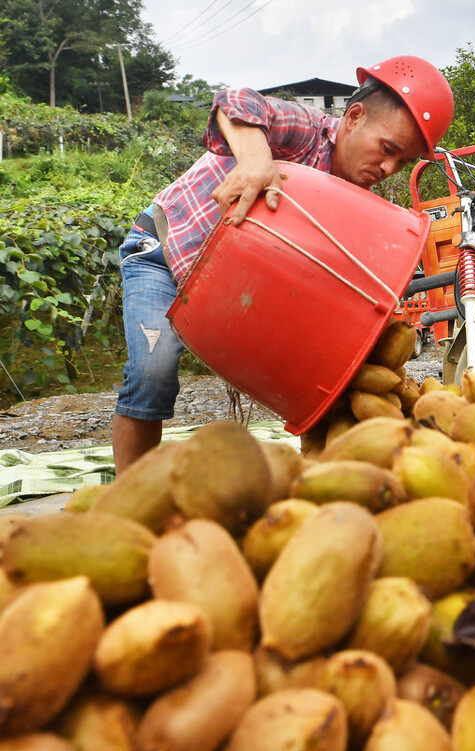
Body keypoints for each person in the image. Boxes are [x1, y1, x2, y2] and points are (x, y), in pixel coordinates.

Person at [112, 55, 454, 474]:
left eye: (402, 162)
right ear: (355, 117)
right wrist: (257, 158)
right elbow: (235, 101)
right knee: (154, 369)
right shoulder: (310, 134)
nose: (388, 169)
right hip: (162, 252)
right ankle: (127, 494)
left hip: (217, 293)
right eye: (388, 150)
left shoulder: (359, 204)